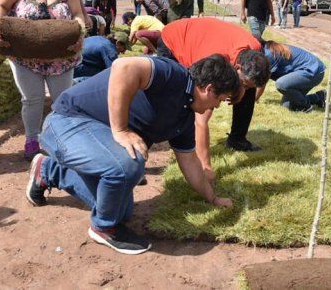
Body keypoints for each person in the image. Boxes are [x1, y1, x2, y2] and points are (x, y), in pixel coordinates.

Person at [25, 55, 237, 254]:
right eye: (220, 100)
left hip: (94, 136)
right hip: (67, 122)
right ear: (209, 89)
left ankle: (48, 170)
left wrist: (213, 198)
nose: (216, 106)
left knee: (121, 211)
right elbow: (123, 66)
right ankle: (103, 228)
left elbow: (190, 163)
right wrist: (121, 130)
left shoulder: (184, 119)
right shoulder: (173, 75)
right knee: (129, 163)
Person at [0, 0, 86, 160]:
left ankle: (60, 140)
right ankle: (32, 140)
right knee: (32, 99)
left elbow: (78, 14)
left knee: (61, 100)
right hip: (25, 56)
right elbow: (0, 7)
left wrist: (80, 31)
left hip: (60, 57)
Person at [156, 18, 270, 182]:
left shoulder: (256, 50)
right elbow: (201, 119)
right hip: (174, 39)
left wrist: (242, 90)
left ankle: (237, 139)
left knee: (247, 93)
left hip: (204, 35)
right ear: (236, 67)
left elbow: (255, 83)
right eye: (243, 84)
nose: (243, 89)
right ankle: (178, 139)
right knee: (183, 99)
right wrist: (206, 168)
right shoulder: (215, 64)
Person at [261, 41, 326, 112]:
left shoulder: (268, 54)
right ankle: (318, 97)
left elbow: (261, 82)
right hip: (303, 72)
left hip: (314, 71)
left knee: (281, 84)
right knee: (287, 105)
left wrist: (254, 100)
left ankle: (305, 106)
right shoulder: (264, 50)